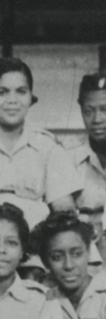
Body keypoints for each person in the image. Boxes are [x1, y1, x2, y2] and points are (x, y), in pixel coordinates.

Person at [0, 57, 80, 228]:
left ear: (30, 98)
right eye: (2, 92)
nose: (12, 100)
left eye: (21, 91)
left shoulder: (47, 146)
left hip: (34, 245)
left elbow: (64, 211)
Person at [69, 73, 106, 260]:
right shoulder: (68, 157)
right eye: (89, 111)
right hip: (86, 264)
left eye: (104, 109)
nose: (97, 119)